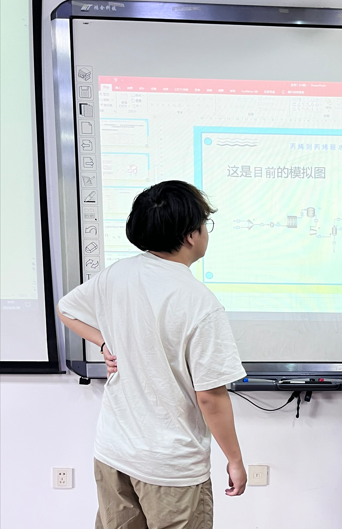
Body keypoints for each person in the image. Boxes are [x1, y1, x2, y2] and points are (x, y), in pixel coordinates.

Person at [57, 180, 248, 529]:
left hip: (113, 452)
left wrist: (103, 343)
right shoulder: (199, 302)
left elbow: (66, 309)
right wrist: (234, 459)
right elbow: (210, 397)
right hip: (170, 466)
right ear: (191, 235)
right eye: (205, 223)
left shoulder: (118, 273)